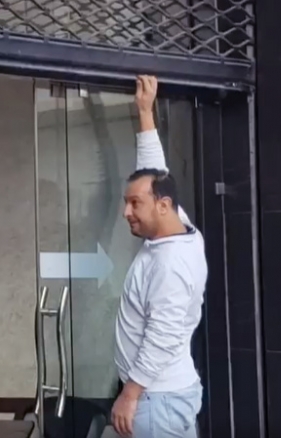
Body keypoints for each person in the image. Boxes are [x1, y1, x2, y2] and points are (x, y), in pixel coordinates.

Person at [110, 76, 207, 438]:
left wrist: (130, 395)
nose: (127, 213)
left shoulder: (170, 264)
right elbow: (155, 173)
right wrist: (145, 111)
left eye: (135, 204)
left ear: (163, 206)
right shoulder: (179, 226)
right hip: (164, 397)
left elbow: (163, 334)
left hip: (155, 402)